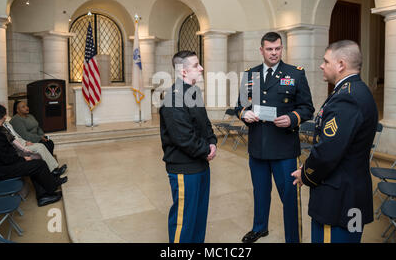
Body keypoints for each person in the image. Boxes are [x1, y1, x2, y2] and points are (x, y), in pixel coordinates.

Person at [291, 40, 378, 243]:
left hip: (338, 198)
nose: (322, 65)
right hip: (350, 191)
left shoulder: (347, 98)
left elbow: (328, 151)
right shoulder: (354, 90)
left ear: (340, 65)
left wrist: (306, 174)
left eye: (326, 61)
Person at [235, 31, 314, 243]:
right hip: (258, 145)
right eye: (269, 49)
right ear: (261, 50)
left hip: (284, 148)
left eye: (277, 48)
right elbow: (239, 106)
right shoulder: (250, 75)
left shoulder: (295, 73)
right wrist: (244, 114)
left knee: (289, 197)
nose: (274, 53)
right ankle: (260, 228)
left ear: (282, 48)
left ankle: (293, 238)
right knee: (260, 192)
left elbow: (307, 108)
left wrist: (292, 118)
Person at [159, 50, 217, 243]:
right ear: (183, 71)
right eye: (195, 65)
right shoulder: (173, 98)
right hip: (184, 168)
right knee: (184, 222)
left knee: (199, 218)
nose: (201, 68)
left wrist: (212, 142)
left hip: (200, 164)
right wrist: (206, 150)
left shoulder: (194, 91)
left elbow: (204, 123)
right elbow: (183, 138)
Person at [0, 104, 67, 207]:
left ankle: (46, 190)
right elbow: (6, 157)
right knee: (38, 164)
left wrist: (23, 158)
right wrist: (23, 159)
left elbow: (5, 153)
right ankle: (47, 193)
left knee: (34, 163)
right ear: (4, 116)